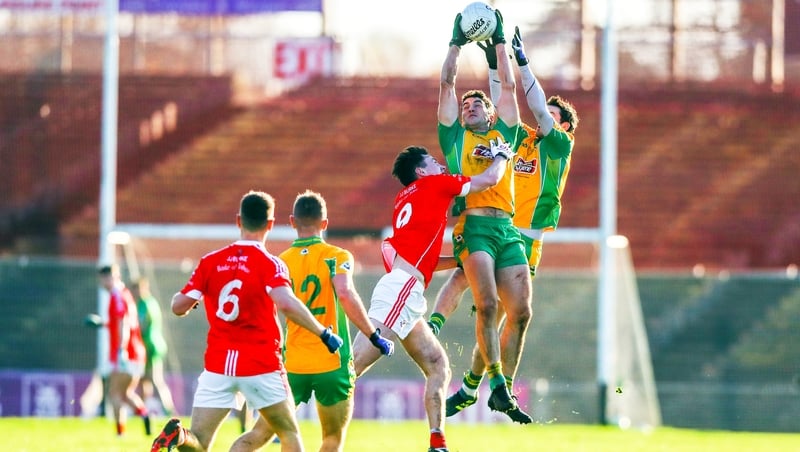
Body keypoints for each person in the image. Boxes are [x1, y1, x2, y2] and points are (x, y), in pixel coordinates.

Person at [430, 26, 580, 424]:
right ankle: (450, 346)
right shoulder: (511, 138)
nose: (541, 118)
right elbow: (502, 99)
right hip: (484, 224)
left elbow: (515, 98)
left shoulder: (556, 144)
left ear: (562, 126)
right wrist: (495, 56)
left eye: (551, 116)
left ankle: (476, 387)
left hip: (523, 236)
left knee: (512, 314)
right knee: (485, 302)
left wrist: (519, 60)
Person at [150, 190, 345, 452]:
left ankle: (181, 437)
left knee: (199, 440)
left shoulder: (210, 262)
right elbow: (286, 303)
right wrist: (323, 332)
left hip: (218, 366)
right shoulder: (270, 264)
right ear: (271, 224)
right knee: (288, 433)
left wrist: (192, 296)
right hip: (260, 365)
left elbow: (177, 306)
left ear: (238, 221)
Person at [352, 144, 510, 452]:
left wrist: (459, 261)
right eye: (434, 162)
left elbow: (423, 262)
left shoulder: (405, 200)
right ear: (422, 171)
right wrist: (503, 155)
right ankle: (287, 414)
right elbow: (489, 180)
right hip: (402, 291)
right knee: (352, 367)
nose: (441, 166)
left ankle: (437, 443)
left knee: (439, 364)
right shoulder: (435, 183)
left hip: (404, 288)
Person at [229, 189, 394, 452]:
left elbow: (265, 311)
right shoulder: (338, 257)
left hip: (292, 364)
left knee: (258, 435)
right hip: (332, 362)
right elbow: (345, 294)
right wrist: (374, 336)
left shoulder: (279, 263)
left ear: (292, 222)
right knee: (331, 439)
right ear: (325, 223)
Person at [437, 8, 533, 419]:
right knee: (489, 304)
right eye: (465, 103)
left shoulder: (504, 131)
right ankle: (494, 381)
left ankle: (500, 387)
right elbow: (446, 82)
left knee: (523, 313)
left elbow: (508, 85)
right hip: (473, 226)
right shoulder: (454, 137)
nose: (469, 105)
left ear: (491, 113)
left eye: (477, 101)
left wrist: (497, 40)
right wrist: (456, 42)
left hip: (508, 229)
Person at [97, 264, 152, 437]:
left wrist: (121, 349)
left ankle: (120, 434)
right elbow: (120, 323)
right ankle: (145, 415)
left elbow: (124, 323)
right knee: (125, 393)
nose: (105, 281)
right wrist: (103, 324)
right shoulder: (126, 294)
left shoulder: (117, 296)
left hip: (126, 352)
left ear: (115, 277)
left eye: (108, 277)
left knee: (114, 393)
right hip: (137, 352)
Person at [132, 277, 177, 417]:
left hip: (150, 346)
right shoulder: (148, 302)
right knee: (143, 380)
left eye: (136, 289)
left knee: (155, 380)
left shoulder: (145, 304)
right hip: (148, 346)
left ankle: (169, 410)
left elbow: (143, 325)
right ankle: (142, 412)